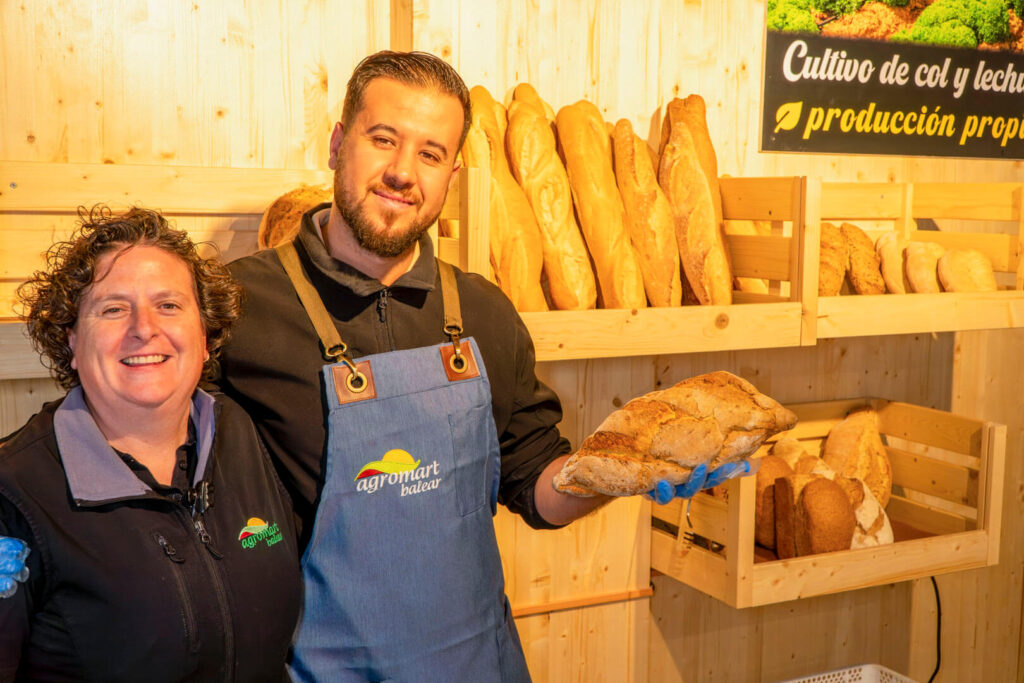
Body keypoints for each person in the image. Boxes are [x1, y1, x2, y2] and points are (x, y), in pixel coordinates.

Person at [217, 49, 752, 681]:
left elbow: (533, 484)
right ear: (338, 143)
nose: (401, 172)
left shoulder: (484, 312)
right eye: (382, 139)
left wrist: (619, 474)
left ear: (452, 173)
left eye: (430, 153)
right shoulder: (236, 311)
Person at [0, 206, 302, 681]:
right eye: (113, 308)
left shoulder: (238, 432)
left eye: (169, 305)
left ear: (204, 335)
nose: (144, 327)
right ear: (73, 342)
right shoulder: (13, 493)